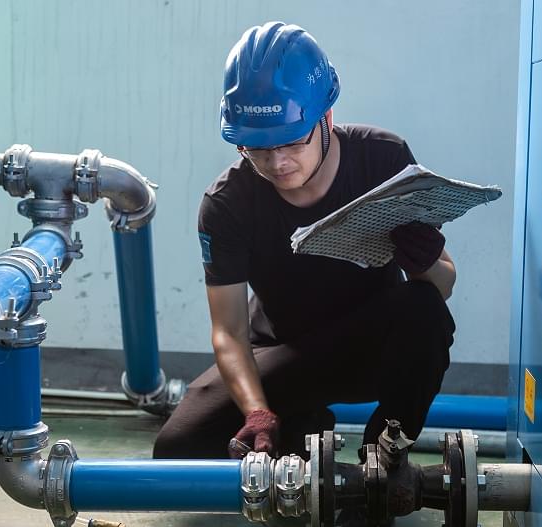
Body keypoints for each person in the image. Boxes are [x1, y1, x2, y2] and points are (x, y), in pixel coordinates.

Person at [153, 21, 456, 461]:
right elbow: (229, 331)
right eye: (256, 148)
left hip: (373, 343)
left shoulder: (383, 160)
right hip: (284, 353)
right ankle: (297, 425)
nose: (277, 163)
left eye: (292, 142)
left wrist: (426, 259)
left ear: (326, 118)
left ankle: (385, 453)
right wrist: (256, 413)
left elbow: (442, 287)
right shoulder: (228, 202)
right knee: (178, 448)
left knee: (424, 310)